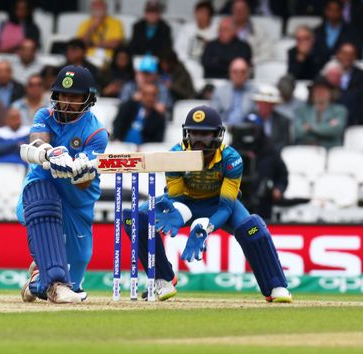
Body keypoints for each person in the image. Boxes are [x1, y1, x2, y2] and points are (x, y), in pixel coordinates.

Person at [120, 105, 292, 303]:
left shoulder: (231, 159)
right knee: (136, 219)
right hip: (185, 203)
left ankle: (275, 285)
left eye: (205, 134)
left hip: (218, 205)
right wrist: (173, 209)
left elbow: (227, 207)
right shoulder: (175, 155)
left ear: (217, 135)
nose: (199, 140)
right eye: (194, 133)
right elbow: (176, 195)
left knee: (253, 229)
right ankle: (163, 278)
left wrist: (206, 227)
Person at [16, 65, 108, 303]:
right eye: (62, 95)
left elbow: (84, 186)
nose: (66, 102)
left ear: (87, 99)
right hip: (41, 187)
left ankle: (38, 279)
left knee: (75, 271)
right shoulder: (44, 116)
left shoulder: (96, 133)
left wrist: (78, 173)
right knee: (41, 211)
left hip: (78, 200)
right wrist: (50, 153)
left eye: (73, 97)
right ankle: (50, 271)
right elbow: (36, 143)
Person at [231, 115, 288, 220]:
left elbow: (282, 174)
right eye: (247, 128)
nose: (250, 133)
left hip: (262, 200)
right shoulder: (232, 150)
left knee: (260, 229)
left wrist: (279, 189)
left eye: (253, 129)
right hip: (238, 198)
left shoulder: (269, 150)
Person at [294, 76, 348, 148]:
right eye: (317, 90)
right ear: (312, 93)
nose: (320, 93)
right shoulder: (302, 111)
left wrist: (311, 127)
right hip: (306, 149)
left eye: (323, 90)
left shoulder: (339, 110)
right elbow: (297, 132)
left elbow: (335, 131)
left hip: (330, 150)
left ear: (330, 93)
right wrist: (325, 127)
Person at [313, 0, 363, 67]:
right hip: (320, 68)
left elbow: (357, 51)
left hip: (344, 67)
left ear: (341, 11)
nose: (333, 13)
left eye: (336, 10)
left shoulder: (351, 32)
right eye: (330, 10)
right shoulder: (317, 31)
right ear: (325, 11)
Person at [210, 57, 255, 126]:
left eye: (242, 72)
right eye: (235, 72)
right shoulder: (220, 91)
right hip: (224, 129)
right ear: (230, 73)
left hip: (247, 129)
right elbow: (212, 115)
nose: (239, 75)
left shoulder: (255, 92)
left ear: (247, 74)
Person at [335, 42, 363, 126]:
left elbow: (361, 98)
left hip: (352, 116)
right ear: (338, 55)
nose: (347, 57)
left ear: (355, 57)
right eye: (344, 53)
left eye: (351, 54)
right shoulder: (329, 71)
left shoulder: (362, 75)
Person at [250, 85, 291, 152]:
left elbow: (285, 142)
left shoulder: (283, 121)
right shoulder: (250, 119)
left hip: (276, 157)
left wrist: (271, 153)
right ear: (258, 103)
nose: (265, 106)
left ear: (273, 105)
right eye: (262, 103)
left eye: (268, 103)